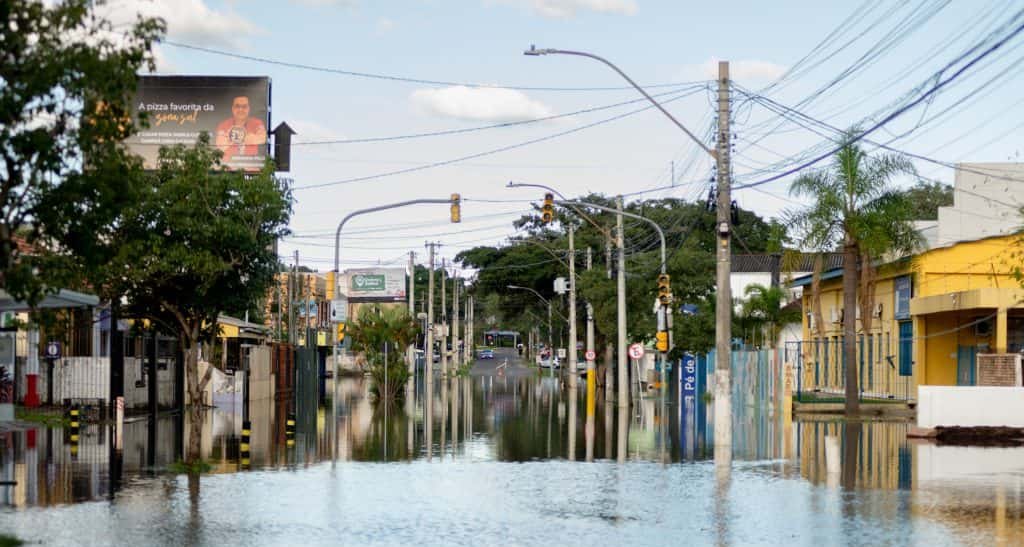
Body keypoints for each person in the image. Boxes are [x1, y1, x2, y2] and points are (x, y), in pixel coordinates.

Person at [214, 95, 267, 162]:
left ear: (248, 109)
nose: (240, 109)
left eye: (244, 106)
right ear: (232, 108)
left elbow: (262, 138)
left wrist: (234, 136)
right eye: (237, 106)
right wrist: (248, 137)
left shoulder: (257, 123)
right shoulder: (223, 125)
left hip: (252, 165)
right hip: (228, 167)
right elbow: (220, 144)